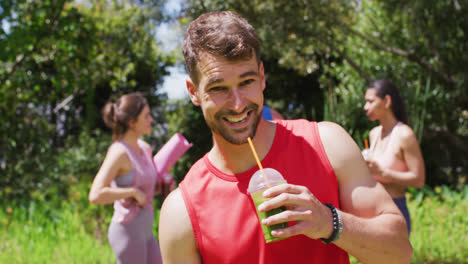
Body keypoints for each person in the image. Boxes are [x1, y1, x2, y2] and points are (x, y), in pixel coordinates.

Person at [159, 11, 413, 264]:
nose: (237, 104)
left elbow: (400, 252)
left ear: (262, 78)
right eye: (218, 88)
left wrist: (329, 222)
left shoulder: (326, 144)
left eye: (246, 81)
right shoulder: (181, 210)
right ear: (193, 91)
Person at [89, 92, 162, 264]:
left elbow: (145, 188)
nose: (151, 120)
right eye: (146, 116)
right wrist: (132, 192)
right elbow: (95, 195)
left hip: (146, 231)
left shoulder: (145, 148)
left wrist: (160, 187)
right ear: (132, 122)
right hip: (127, 231)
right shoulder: (119, 152)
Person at [363, 79, 426, 234]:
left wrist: (384, 173)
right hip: (373, 210)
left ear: (387, 101)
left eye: (370, 101)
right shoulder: (374, 134)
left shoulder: (405, 134)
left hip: (395, 209)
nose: (365, 107)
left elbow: (418, 180)